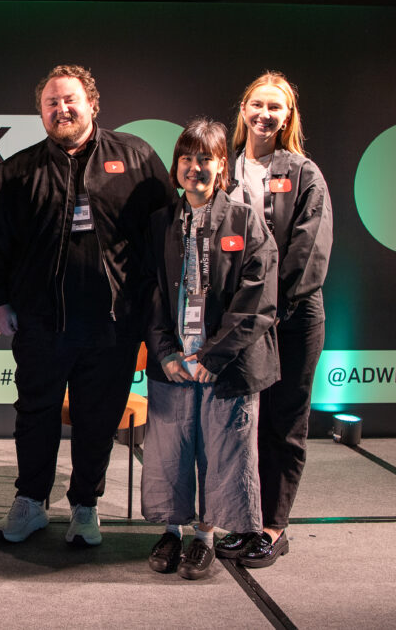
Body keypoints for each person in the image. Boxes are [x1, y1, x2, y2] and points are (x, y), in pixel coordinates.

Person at [0, 64, 174, 546]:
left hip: (113, 325)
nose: (60, 109)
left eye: (69, 100)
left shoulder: (136, 157)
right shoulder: (19, 169)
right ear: (41, 112)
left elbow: (166, 238)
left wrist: (152, 312)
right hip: (42, 322)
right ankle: (30, 503)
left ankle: (85, 505)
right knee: (35, 413)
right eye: (51, 103)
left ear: (92, 103)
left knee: (97, 417)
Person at [142, 118, 279, 580]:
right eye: (186, 158)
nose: (194, 167)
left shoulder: (245, 220)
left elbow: (257, 299)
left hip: (226, 366)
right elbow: (153, 295)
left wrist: (213, 357)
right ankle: (173, 530)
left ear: (222, 166)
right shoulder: (162, 222)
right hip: (175, 364)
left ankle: (205, 536)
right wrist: (165, 353)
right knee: (170, 450)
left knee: (223, 452)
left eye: (205, 158)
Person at [216, 72, 333, 568]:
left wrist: (268, 310)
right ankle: (245, 520)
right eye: (257, 104)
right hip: (240, 322)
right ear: (243, 109)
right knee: (243, 425)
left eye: (276, 107)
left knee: (284, 423)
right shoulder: (224, 170)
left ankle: (272, 528)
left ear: (288, 117)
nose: (265, 114)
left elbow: (309, 252)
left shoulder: (304, 173)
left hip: (291, 319)